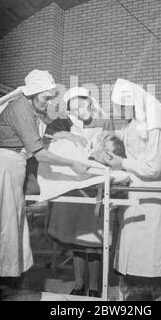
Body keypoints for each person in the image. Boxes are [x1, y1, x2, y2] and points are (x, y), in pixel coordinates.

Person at [0, 70, 88, 297]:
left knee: (6, 227)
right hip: (2, 170)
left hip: (12, 169)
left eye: (50, 98)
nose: (48, 102)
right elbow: (39, 153)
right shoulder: (20, 107)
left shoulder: (28, 108)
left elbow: (34, 137)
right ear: (32, 93)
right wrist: (73, 164)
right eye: (45, 98)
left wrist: (65, 137)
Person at [104, 78, 161, 301]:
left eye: (124, 106)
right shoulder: (137, 118)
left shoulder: (155, 116)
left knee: (148, 248)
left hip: (152, 192)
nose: (123, 111)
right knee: (132, 244)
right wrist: (112, 137)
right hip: (136, 189)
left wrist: (120, 164)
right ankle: (131, 291)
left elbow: (154, 166)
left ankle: (149, 294)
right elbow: (131, 136)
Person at [46, 87, 113, 298]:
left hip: (95, 186)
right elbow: (47, 136)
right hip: (73, 186)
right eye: (74, 109)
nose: (79, 112)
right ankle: (78, 283)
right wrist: (66, 136)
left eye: (82, 105)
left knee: (92, 240)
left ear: (91, 103)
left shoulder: (105, 122)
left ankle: (94, 286)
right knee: (75, 239)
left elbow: (112, 152)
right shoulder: (66, 124)